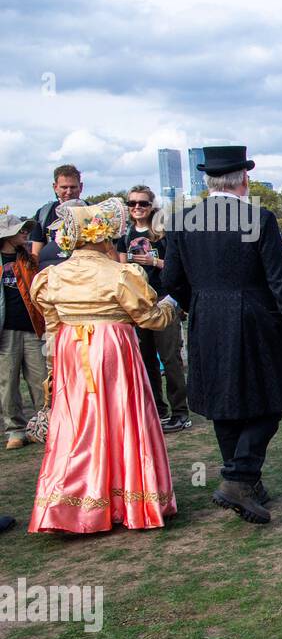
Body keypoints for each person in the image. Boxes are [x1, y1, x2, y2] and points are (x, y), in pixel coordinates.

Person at [162, 145, 282, 524]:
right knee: (270, 402)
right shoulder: (259, 218)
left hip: (206, 319)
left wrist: (194, 303)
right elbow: (280, 282)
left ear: (208, 181)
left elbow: (171, 282)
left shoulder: (181, 221)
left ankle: (247, 482)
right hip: (254, 319)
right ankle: (238, 477)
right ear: (243, 179)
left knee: (225, 405)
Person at [28, 199, 180, 533]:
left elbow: (52, 324)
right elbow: (150, 317)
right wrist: (173, 302)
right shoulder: (122, 274)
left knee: (77, 422)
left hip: (71, 350)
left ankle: (74, 501)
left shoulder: (51, 277)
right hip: (112, 348)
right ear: (101, 236)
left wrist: (55, 359)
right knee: (122, 417)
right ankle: (130, 498)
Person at [119, 186, 190, 432]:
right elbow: (119, 269)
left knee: (170, 358)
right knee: (146, 359)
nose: (137, 208)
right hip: (137, 303)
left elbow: (178, 265)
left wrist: (153, 261)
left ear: (152, 206)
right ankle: (157, 411)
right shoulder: (124, 234)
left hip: (163, 300)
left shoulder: (163, 232)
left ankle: (180, 412)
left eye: (143, 204)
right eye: (132, 204)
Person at [0, 212, 46, 450]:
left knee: (41, 380)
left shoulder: (29, 259)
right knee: (8, 383)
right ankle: (15, 430)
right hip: (5, 333)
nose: (25, 233)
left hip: (32, 328)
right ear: (7, 236)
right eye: (20, 230)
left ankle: (44, 425)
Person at [30, 164, 84, 246]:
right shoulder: (43, 214)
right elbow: (36, 253)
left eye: (73, 187)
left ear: (81, 187)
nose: (69, 192)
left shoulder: (94, 212)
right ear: (55, 187)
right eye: (64, 187)